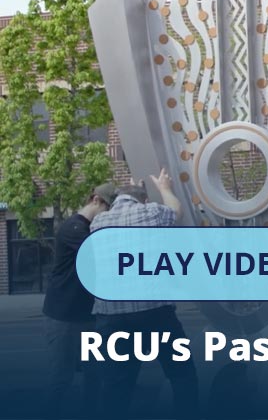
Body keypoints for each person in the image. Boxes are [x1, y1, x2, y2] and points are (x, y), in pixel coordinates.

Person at [90, 170, 199, 419]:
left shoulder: (98, 223)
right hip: (154, 312)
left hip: (112, 316)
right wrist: (164, 188)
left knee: (117, 385)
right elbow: (176, 210)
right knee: (182, 375)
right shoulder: (151, 213)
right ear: (144, 200)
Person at [42, 183, 116, 419]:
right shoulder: (74, 228)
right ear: (96, 200)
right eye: (108, 208)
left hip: (86, 316)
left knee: (94, 375)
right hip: (63, 315)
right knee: (61, 376)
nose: (108, 215)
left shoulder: (88, 228)